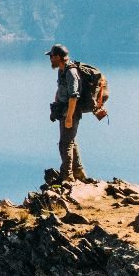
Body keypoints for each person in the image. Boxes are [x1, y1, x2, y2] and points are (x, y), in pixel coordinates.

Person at [46, 43, 87, 182]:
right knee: (70, 141)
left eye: (51, 56)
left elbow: (73, 96)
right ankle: (79, 172)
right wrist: (55, 107)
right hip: (63, 110)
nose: (50, 59)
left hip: (71, 112)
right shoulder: (61, 70)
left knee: (65, 144)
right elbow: (60, 90)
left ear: (58, 57)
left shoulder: (71, 72)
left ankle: (67, 176)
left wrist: (69, 116)